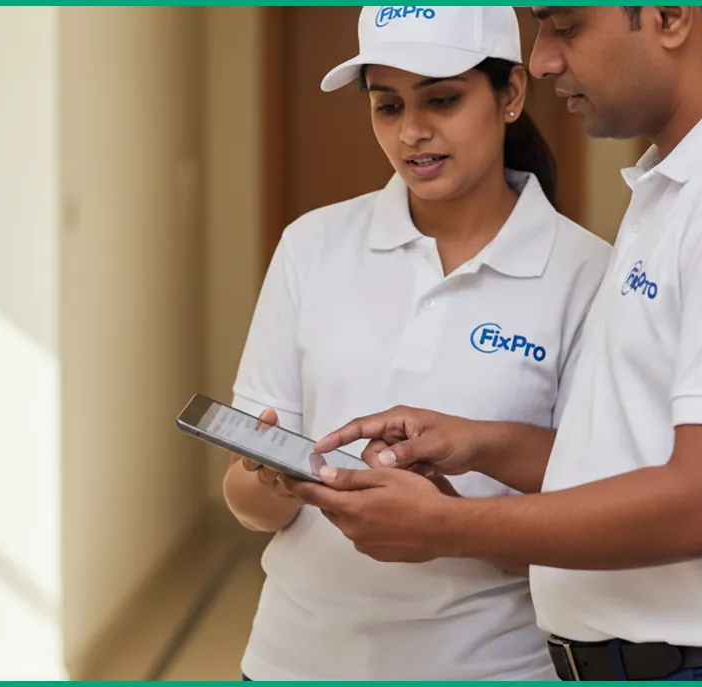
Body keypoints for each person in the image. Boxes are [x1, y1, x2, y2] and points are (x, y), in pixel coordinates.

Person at [289, 6, 702, 682]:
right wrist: (481, 443)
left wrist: (448, 529)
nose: (543, 60)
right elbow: (638, 453)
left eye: (565, 26)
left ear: (668, 17)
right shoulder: (681, 185)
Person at [221, 5, 611, 682]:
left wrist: (448, 524)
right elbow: (246, 502)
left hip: (491, 667)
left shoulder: (587, 275)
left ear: (511, 93)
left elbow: (595, 522)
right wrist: (278, 482)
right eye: (387, 105)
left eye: (443, 99)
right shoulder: (311, 247)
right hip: (294, 660)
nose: (412, 132)